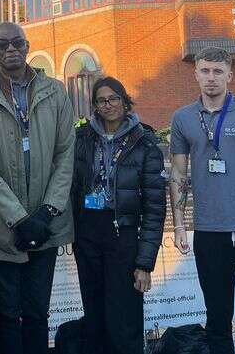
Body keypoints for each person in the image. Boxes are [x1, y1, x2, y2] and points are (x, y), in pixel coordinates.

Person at [0, 22, 75, 354]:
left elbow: (66, 153)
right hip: (2, 227)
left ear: (27, 46)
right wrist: (18, 217)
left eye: (17, 43)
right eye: (2, 45)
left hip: (47, 221)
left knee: (38, 313)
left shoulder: (55, 92)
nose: (10, 50)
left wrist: (47, 211)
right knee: (7, 315)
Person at [170, 46, 235, 354]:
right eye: (205, 71)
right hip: (209, 233)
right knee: (218, 320)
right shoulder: (182, 118)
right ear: (195, 74)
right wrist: (181, 225)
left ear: (230, 76)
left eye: (218, 71)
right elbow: (179, 175)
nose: (211, 78)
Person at [70, 76, 166, 354]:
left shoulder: (145, 142)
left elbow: (155, 207)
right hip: (88, 234)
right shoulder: (82, 138)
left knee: (124, 320)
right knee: (95, 318)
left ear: (125, 101)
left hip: (124, 236)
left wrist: (145, 263)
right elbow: (71, 186)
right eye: (101, 100)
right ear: (95, 106)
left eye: (114, 98)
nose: (108, 104)